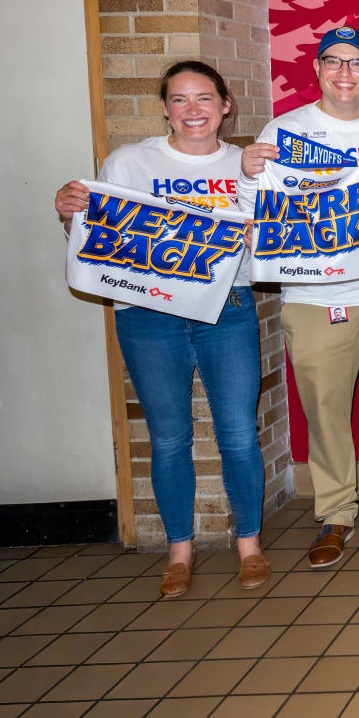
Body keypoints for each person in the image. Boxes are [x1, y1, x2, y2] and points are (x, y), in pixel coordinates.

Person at [53, 61, 269, 596]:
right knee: (168, 436)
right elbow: (97, 236)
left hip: (228, 310)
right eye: (179, 100)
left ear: (225, 106)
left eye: (203, 99)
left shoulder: (248, 165)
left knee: (239, 433)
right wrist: (67, 213)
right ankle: (179, 550)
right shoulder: (130, 162)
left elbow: (274, 246)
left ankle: (250, 545)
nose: (192, 110)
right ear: (165, 108)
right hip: (149, 316)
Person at [239, 26, 359, 568]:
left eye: (357, 64)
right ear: (317, 70)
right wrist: (248, 175)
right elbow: (259, 214)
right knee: (324, 411)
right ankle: (335, 514)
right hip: (311, 297)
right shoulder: (285, 129)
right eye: (334, 62)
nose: (345, 73)